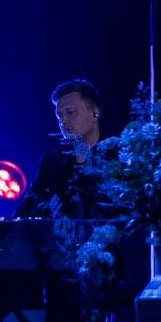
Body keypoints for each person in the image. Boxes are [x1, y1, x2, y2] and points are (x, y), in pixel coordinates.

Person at [18, 80, 105, 220]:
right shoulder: (52, 161)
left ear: (95, 113)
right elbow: (28, 206)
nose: (63, 121)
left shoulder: (117, 155)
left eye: (70, 112)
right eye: (60, 116)